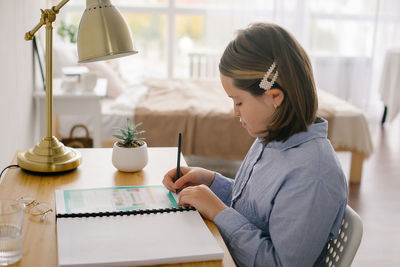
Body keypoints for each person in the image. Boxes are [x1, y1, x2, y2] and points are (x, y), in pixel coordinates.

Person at [163, 22, 348, 267]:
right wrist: (210, 181)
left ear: (274, 97)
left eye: (238, 102)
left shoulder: (313, 174)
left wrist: (217, 211)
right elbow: (254, 210)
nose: (234, 112)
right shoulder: (271, 137)